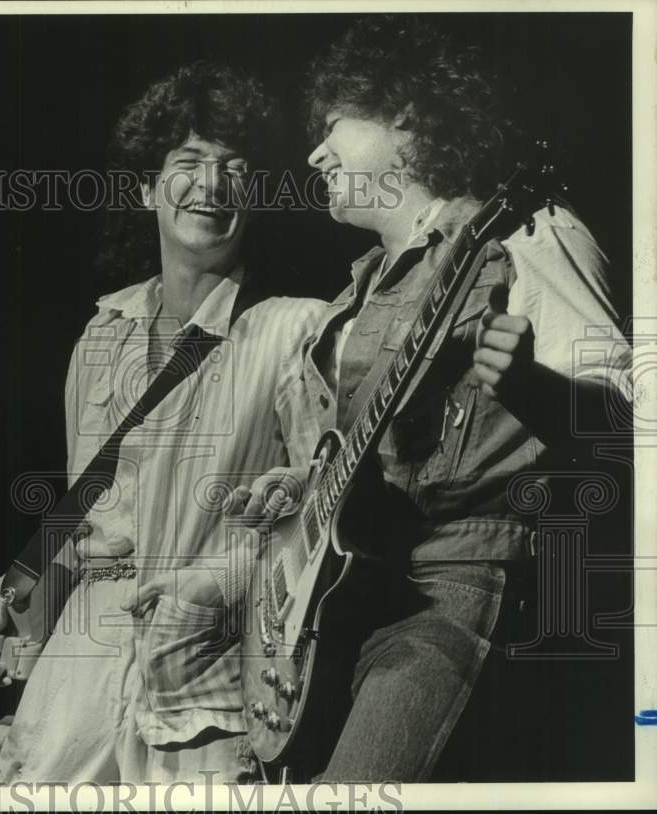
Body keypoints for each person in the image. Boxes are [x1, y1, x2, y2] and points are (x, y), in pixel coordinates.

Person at [227, 16, 632, 781]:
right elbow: (336, 463)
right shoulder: (358, 292)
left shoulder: (523, 236)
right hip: (346, 596)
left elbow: (628, 423)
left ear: (407, 116)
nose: (314, 152)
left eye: (334, 125)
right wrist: (293, 490)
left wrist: (535, 388)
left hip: (456, 578)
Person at [0, 61, 328, 784]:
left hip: (208, 679)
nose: (212, 185)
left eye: (234, 168)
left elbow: (324, 517)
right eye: (188, 162)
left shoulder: (296, 332)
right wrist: (12, 603)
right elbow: (79, 514)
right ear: (147, 186)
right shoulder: (102, 336)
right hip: (78, 677)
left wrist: (218, 580)